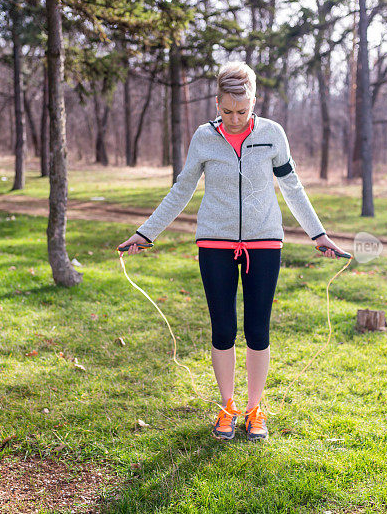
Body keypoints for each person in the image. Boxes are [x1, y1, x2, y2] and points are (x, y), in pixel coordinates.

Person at [118, 61, 348, 441]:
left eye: (242, 111)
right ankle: (227, 408)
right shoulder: (204, 138)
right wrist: (145, 233)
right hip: (214, 244)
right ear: (218, 104)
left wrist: (318, 234)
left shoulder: (273, 134)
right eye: (227, 111)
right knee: (223, 329)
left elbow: (293, 187)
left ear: (254, 102)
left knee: (258, 330)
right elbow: (182, 189)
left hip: (264, 243)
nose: (235, 118)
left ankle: (255, 410)